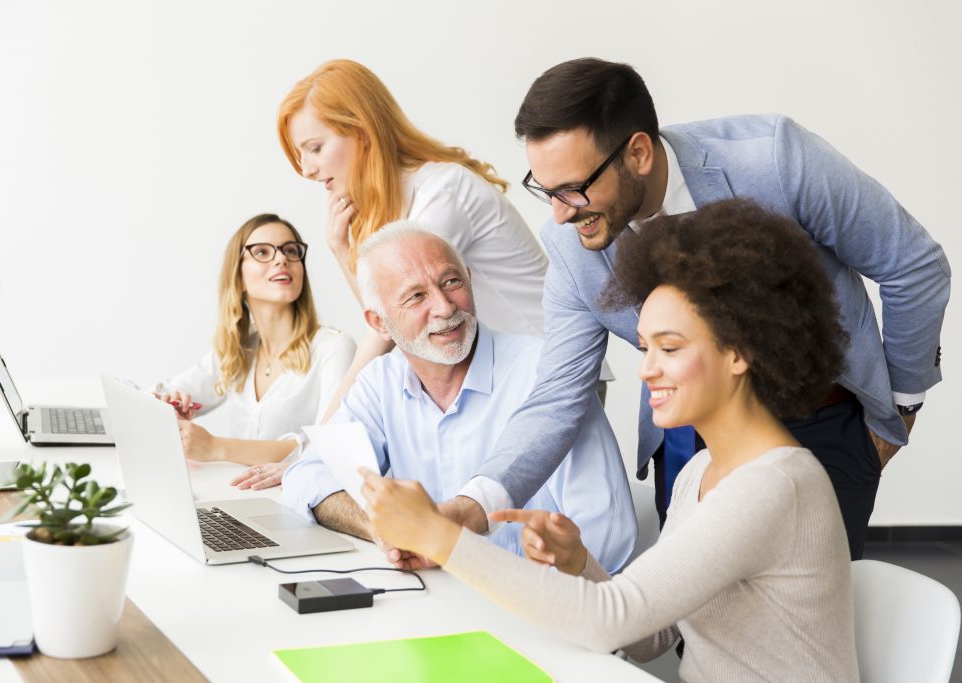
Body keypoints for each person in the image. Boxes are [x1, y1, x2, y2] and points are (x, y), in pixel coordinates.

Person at [441, 58, 951, 560]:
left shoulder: (774, 159)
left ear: (638, 153)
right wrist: (478, 502)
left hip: (820, 424)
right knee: (696, 631)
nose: (558, 213)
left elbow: (913, 265)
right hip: (689, 450)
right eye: (546, 190)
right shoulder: (572, 243)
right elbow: (556, 394)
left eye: (573, 189)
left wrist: (901, 410)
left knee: (798, 619)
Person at [362, 201, 859, 682]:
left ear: (740, 352)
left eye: (669, 348)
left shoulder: (774, 486)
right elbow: (653, 633)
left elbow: (611, 621)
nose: (646, 369)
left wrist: (440, 537)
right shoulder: (699, 472)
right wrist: (580, 565)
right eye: (644, 348)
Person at [276, 224, 635, 571]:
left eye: (451, 282)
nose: (445, 307)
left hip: (536, 606)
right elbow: (307, 474)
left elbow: (608, 540)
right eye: (416, 296)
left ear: (469, 278)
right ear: (379, 322)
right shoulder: (380, 382)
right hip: (433, 602)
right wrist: (382, 529)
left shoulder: (546, 375)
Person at [276, 59, 549, 424]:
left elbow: (393, 331)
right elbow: (393, 322)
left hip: (544, 376)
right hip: (502, 381)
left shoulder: (442, 195)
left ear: (362, 132)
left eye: (314, 148)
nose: (307, 169)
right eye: (301, 154)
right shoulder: (401, 205)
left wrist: (318, 443)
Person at [153, 213, 355, 467]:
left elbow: (327, 445)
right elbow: (160, 394)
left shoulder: (334, 349)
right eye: (262, 252)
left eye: (291, 251)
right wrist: (168, 406)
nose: (282, 258)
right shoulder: (238, 351)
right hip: (239, 498)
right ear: (237, 277)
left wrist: (216, 447)